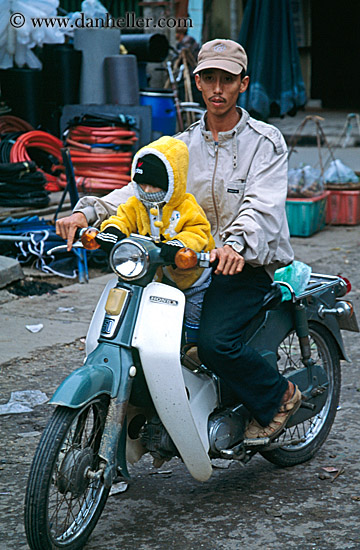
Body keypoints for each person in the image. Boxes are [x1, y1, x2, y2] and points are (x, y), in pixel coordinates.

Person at [56, 38, 301, 441]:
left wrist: (235, 245)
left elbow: (262, 205)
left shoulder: (265, 141)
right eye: (209, 79)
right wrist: (89, 211)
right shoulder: (182, 145)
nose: (217, 89)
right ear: (197, 83)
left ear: (244, 83)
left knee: (213, 344)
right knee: (135, 336)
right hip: (182, 264)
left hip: (242, 266)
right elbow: (140, 191)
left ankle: (279, 395)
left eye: (227, 79)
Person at [95, 135, 214, 332]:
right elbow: (122, 218)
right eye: (142, 184)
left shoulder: (186, 206)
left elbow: (198, 231)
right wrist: (112, 231)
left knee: (193, 313)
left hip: (191, 278)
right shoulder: (136, 204)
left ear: (172, 182)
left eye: (155, 185)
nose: (147, 191)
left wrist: (178, 244)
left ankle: (192, 349)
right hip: (151, 276)